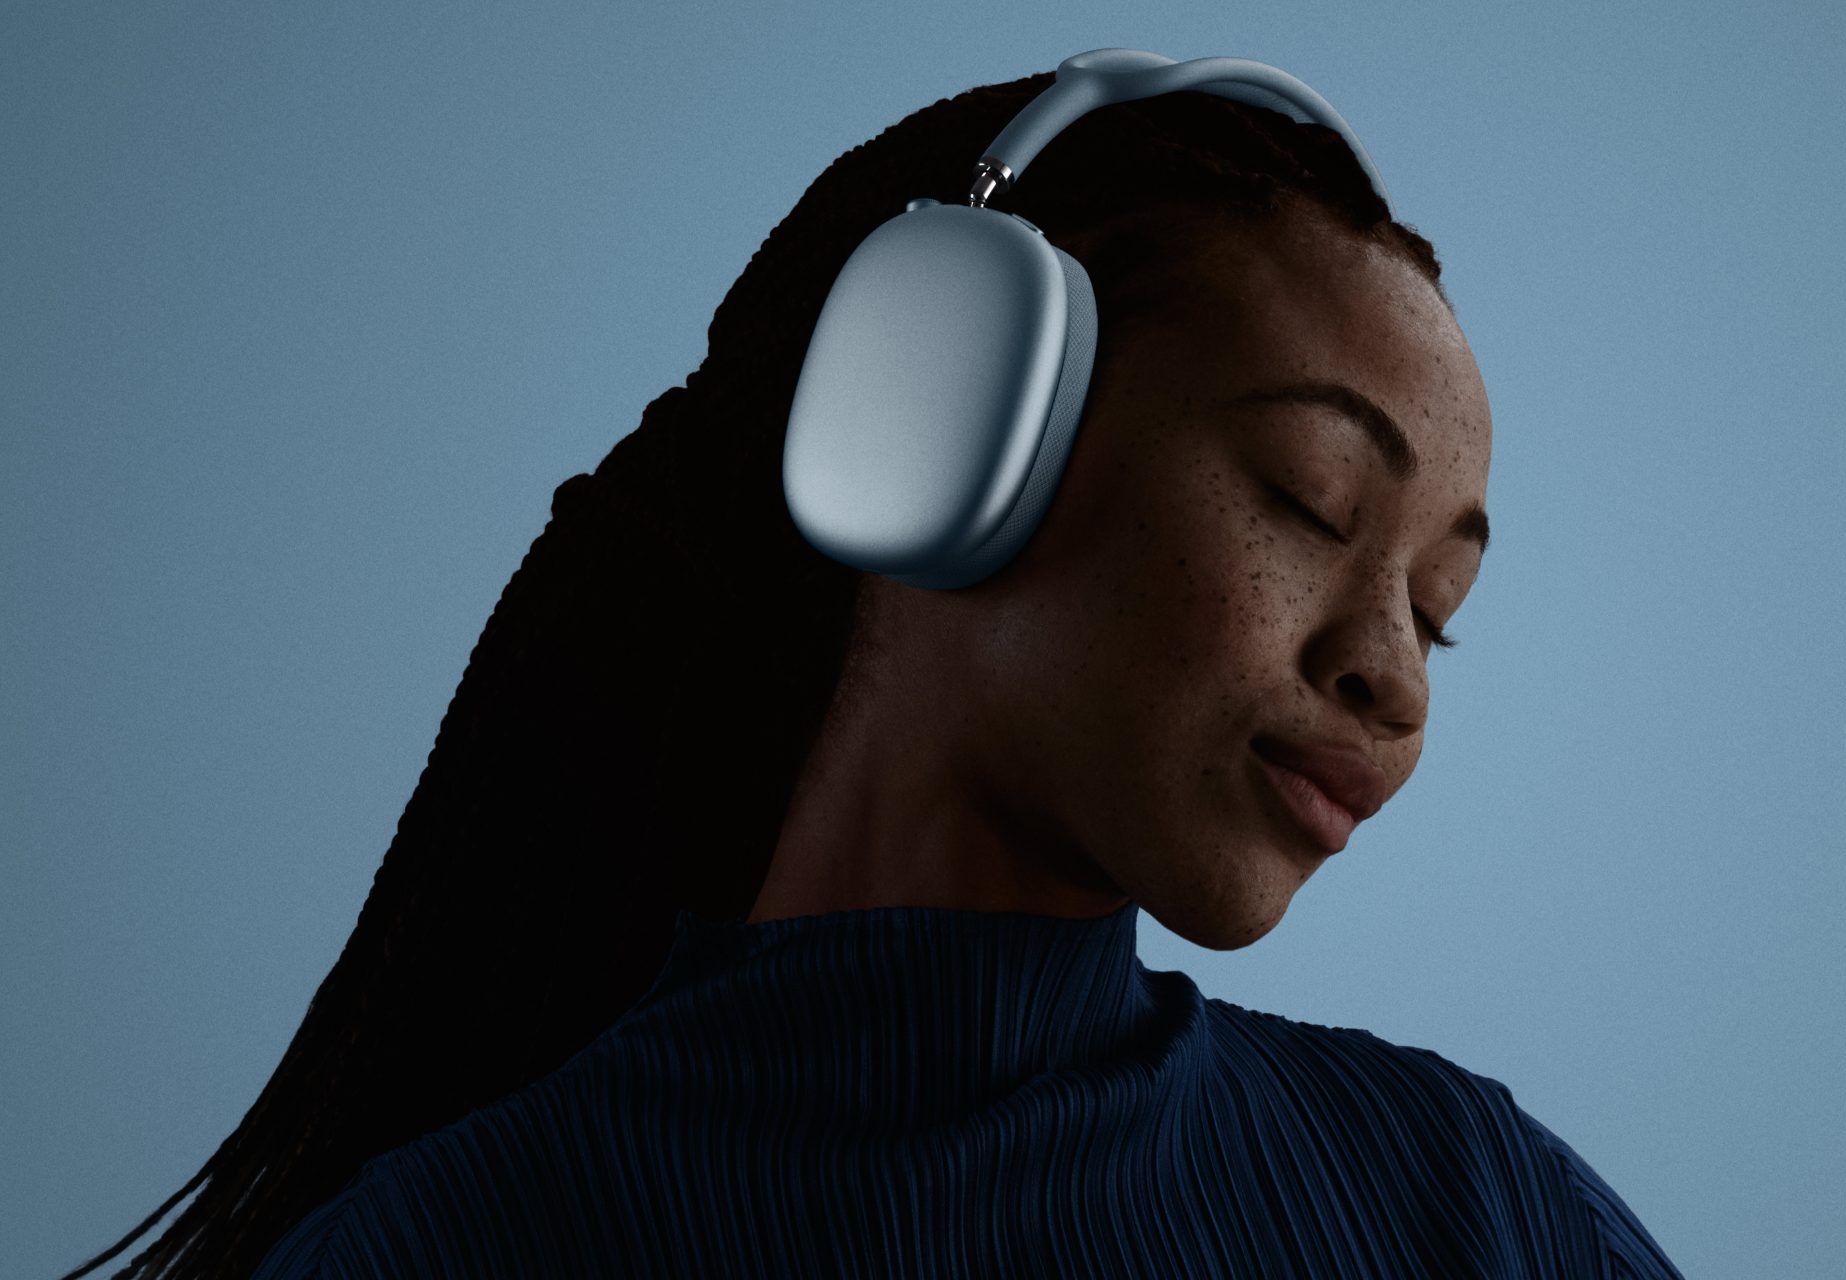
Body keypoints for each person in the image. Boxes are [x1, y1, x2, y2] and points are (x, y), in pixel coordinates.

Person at [60, 61, 1685, 1279]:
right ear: (944, 423)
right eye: (1309, 500)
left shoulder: (1460, 1204)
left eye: (1440, 606)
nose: (1395, 678)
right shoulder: (450, 1248)